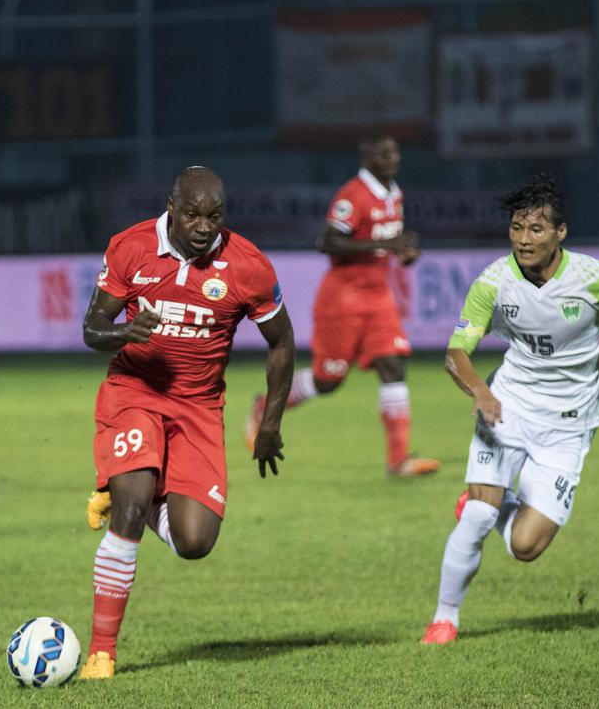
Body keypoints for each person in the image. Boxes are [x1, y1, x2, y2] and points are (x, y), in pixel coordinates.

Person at [420, 175, 599, 645]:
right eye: (516, 228)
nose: (523, 239)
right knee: (476, 520)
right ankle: (444, 619)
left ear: (560, 233)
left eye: (536, 229)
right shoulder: (493, 283)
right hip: (507, 410)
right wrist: (482, 394)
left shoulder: (597, 279)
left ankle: (490, 502)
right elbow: (455, 354)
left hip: (571, 427)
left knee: (525, 547)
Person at [77, 166, 294, 679]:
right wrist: (127, 332)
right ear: (171, 207)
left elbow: (282, 342)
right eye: (193, 214)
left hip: (199, 409)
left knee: (194, 543)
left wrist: (269, 423)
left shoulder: (247, 265)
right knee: (129, 514)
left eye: (214, 216)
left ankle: (125, 487)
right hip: (135, 391)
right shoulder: (130, 248)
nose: (203, 226)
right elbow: (92, 328)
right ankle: (101, 652)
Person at [245, 135, 439, 478]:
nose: (392, 157)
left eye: (394, 151)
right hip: (343, 298)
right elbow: (328, 241)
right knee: (328, 379)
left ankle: (399, 460)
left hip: (378, 296)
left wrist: (403, 253)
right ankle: (265, 406)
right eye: (383, 152)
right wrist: (385, 242)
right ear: (366, 158)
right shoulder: (354, 195)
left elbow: (386, 245)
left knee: (394, 365)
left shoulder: (394, 194)